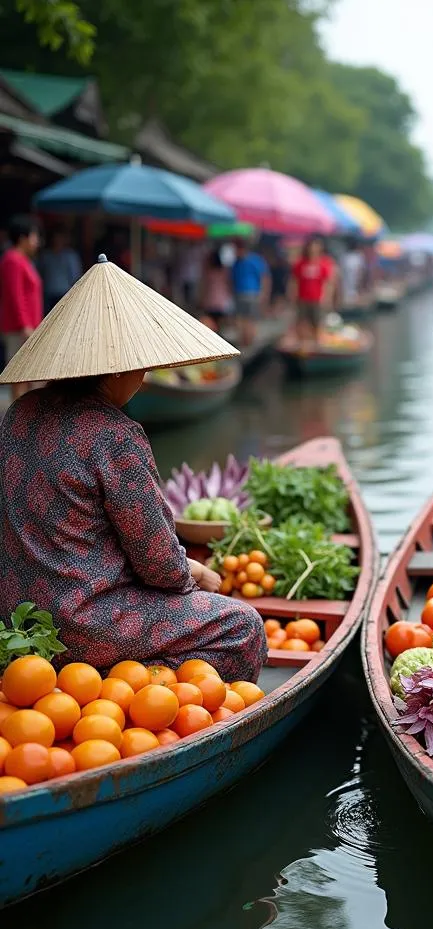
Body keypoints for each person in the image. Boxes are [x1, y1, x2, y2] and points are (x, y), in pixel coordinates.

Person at [0, 255, 266, 679]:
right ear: (118, 369)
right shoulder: (115, 435)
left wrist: (183, 568)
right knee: (242, 627)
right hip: (82, 623)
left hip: (18, 617)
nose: (143, 377)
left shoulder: (18, 413)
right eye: (140, 367)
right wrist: (191, 574)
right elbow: (158, 564)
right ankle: (123, 678)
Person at [0, 215, 43, 401]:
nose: (37, 242)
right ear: (23, 238)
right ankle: (17, 424)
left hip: (28, 328)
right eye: (34, 237)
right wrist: (24, 325)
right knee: (19, 377)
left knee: (27, 376)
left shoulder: (22, 260)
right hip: (20, 328)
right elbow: (15, 296)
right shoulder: (13, 260)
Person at [289, 237, 335, 342]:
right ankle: (301, 343)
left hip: (317, 298)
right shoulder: (300, 263)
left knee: (317, 323)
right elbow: (294, 280)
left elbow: (328, 282)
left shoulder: (324, 263)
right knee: (301, 322)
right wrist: (292, 295)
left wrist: (327, 297)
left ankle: (316, 342)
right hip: (302, 298)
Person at [231, 238, 269, 348]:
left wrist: (264, 293)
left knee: (250, 320)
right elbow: (232, 279)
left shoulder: (255, 260)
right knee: (240, 320)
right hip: (239, 294)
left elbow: (264, 277)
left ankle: (250, 343)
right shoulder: (236, 262)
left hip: (252, 294)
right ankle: (243, 343)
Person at [37, 227, 82, 313]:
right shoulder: (46, 256)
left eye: (61, 237)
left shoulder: (70, 256)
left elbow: (76, 277)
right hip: (48, 295)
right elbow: (40, 275)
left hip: (65, 295)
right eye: (56, 237)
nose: (58, 240)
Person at [200, 247, 233, 330]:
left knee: (210, 326)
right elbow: (229, 285)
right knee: (220, 327)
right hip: (222, 303)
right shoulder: (225, 271)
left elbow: (204, 287)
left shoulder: (209, 272)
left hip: (210, 302)